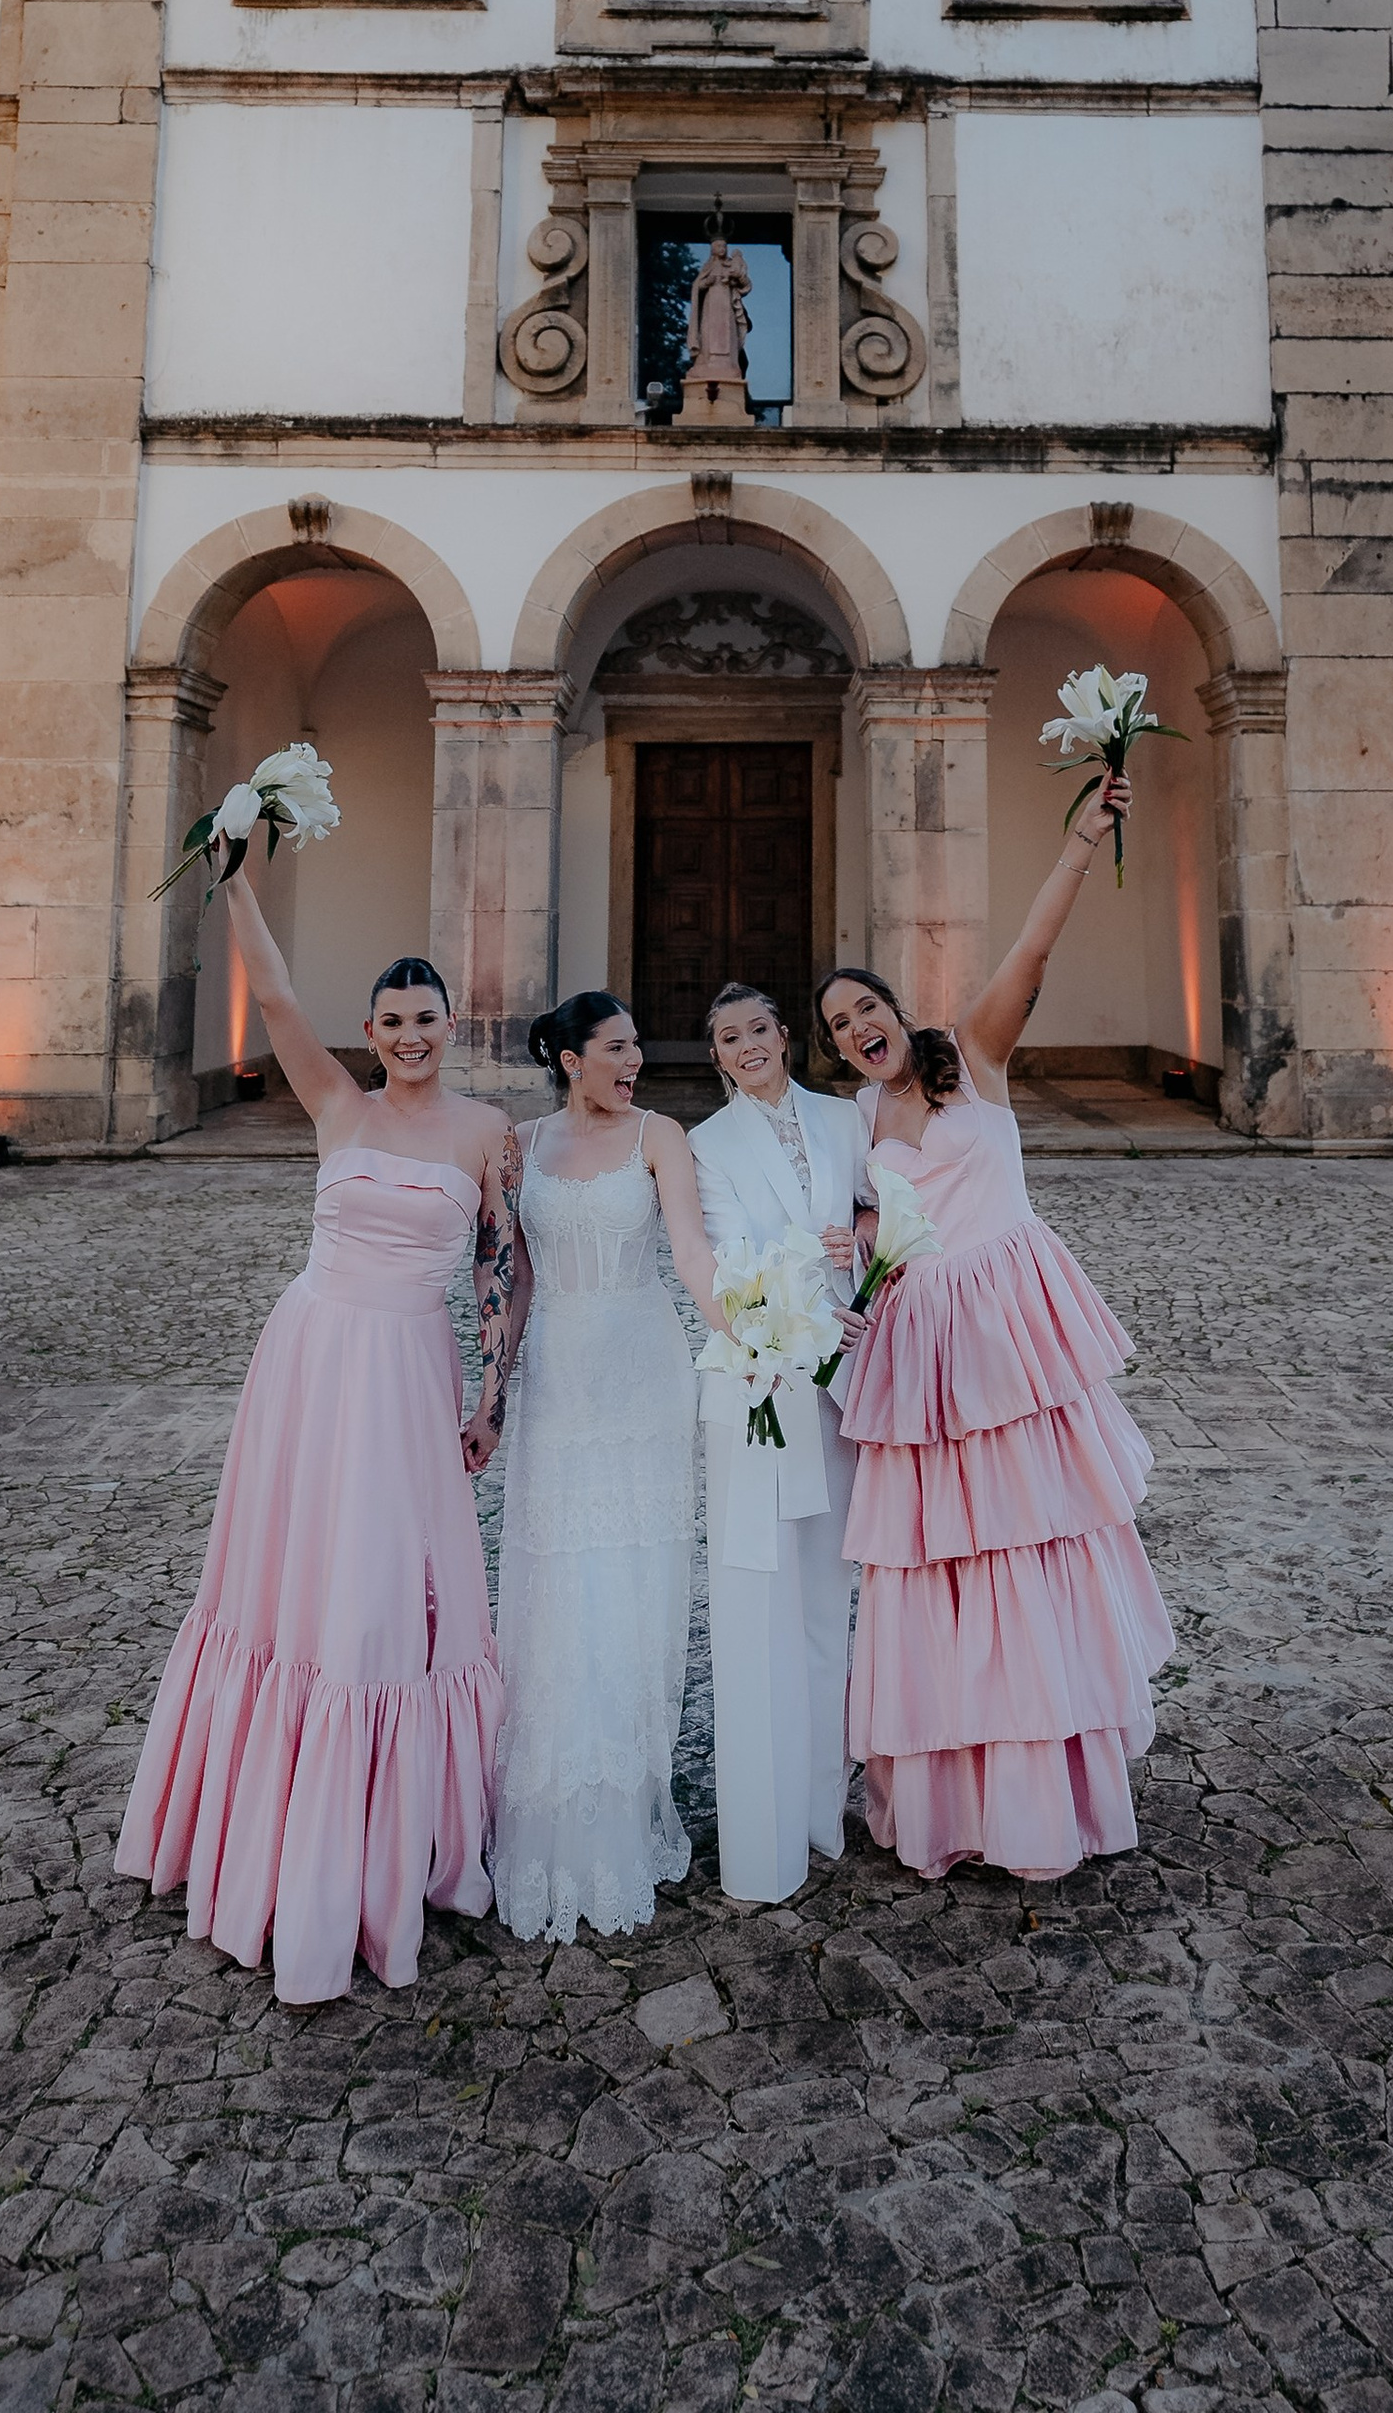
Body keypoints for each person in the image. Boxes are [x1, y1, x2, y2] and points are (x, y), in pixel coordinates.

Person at [114, 887, 515, 2004]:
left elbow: (499, 1270)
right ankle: (265, 1815)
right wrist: (236, 868)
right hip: (309, 1361)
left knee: (390, 1586)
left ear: (450, 1025)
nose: (408, 1036)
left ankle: (391, 1835)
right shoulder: (335, 1103)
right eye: (390, 1021)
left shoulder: (488, 1135)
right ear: (372, 1032)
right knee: (295, 1576)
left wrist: (493, 1399)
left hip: (407, 1370)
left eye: (424, 1018)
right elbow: (278, 996)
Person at [817, 771, 1176, 1883]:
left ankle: (1046, 1790)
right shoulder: (857, 1120)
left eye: (865, 1008)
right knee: (936, 1571)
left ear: (895, 1007)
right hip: (921, 1351)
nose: (856, 1029)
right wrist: (853, 1257)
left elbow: (1029, 952)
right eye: (837, 1026)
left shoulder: (969, 1055)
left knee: (1031, 1551)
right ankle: (947, 1790)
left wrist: (1079, 840)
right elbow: (880, 1237)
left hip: (1009, 1332)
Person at [467, 992, 721, 1944]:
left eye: (637, 1045)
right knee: (554, 1581)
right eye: (617, 1048)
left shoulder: (662, 1136)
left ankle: (624, 1795)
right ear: (570, 1058)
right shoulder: (520, 1147)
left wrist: (747, 1331)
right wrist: (490, 1395)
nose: (636, 1061)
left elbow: (690, 1252)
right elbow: (513, 1280)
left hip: (645, 1376)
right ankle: (550, 1801)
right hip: (560, 1383)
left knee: (635, 1581)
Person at [688, 981, 870, 1904]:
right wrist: (818, 1278)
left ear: (786, 1037)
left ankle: (821, 1807)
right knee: (764, 1594)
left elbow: (880, 1227)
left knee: (828, 1595)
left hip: (842, 1385)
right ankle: (764, 1816)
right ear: (715, 1055)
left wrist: (859, 1255)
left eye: (759, 1028)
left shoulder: (844, 1121)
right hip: (762, 1379)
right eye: (729, 1037)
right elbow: (731, 1259)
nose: (748, 1045)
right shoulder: (705, 1147)